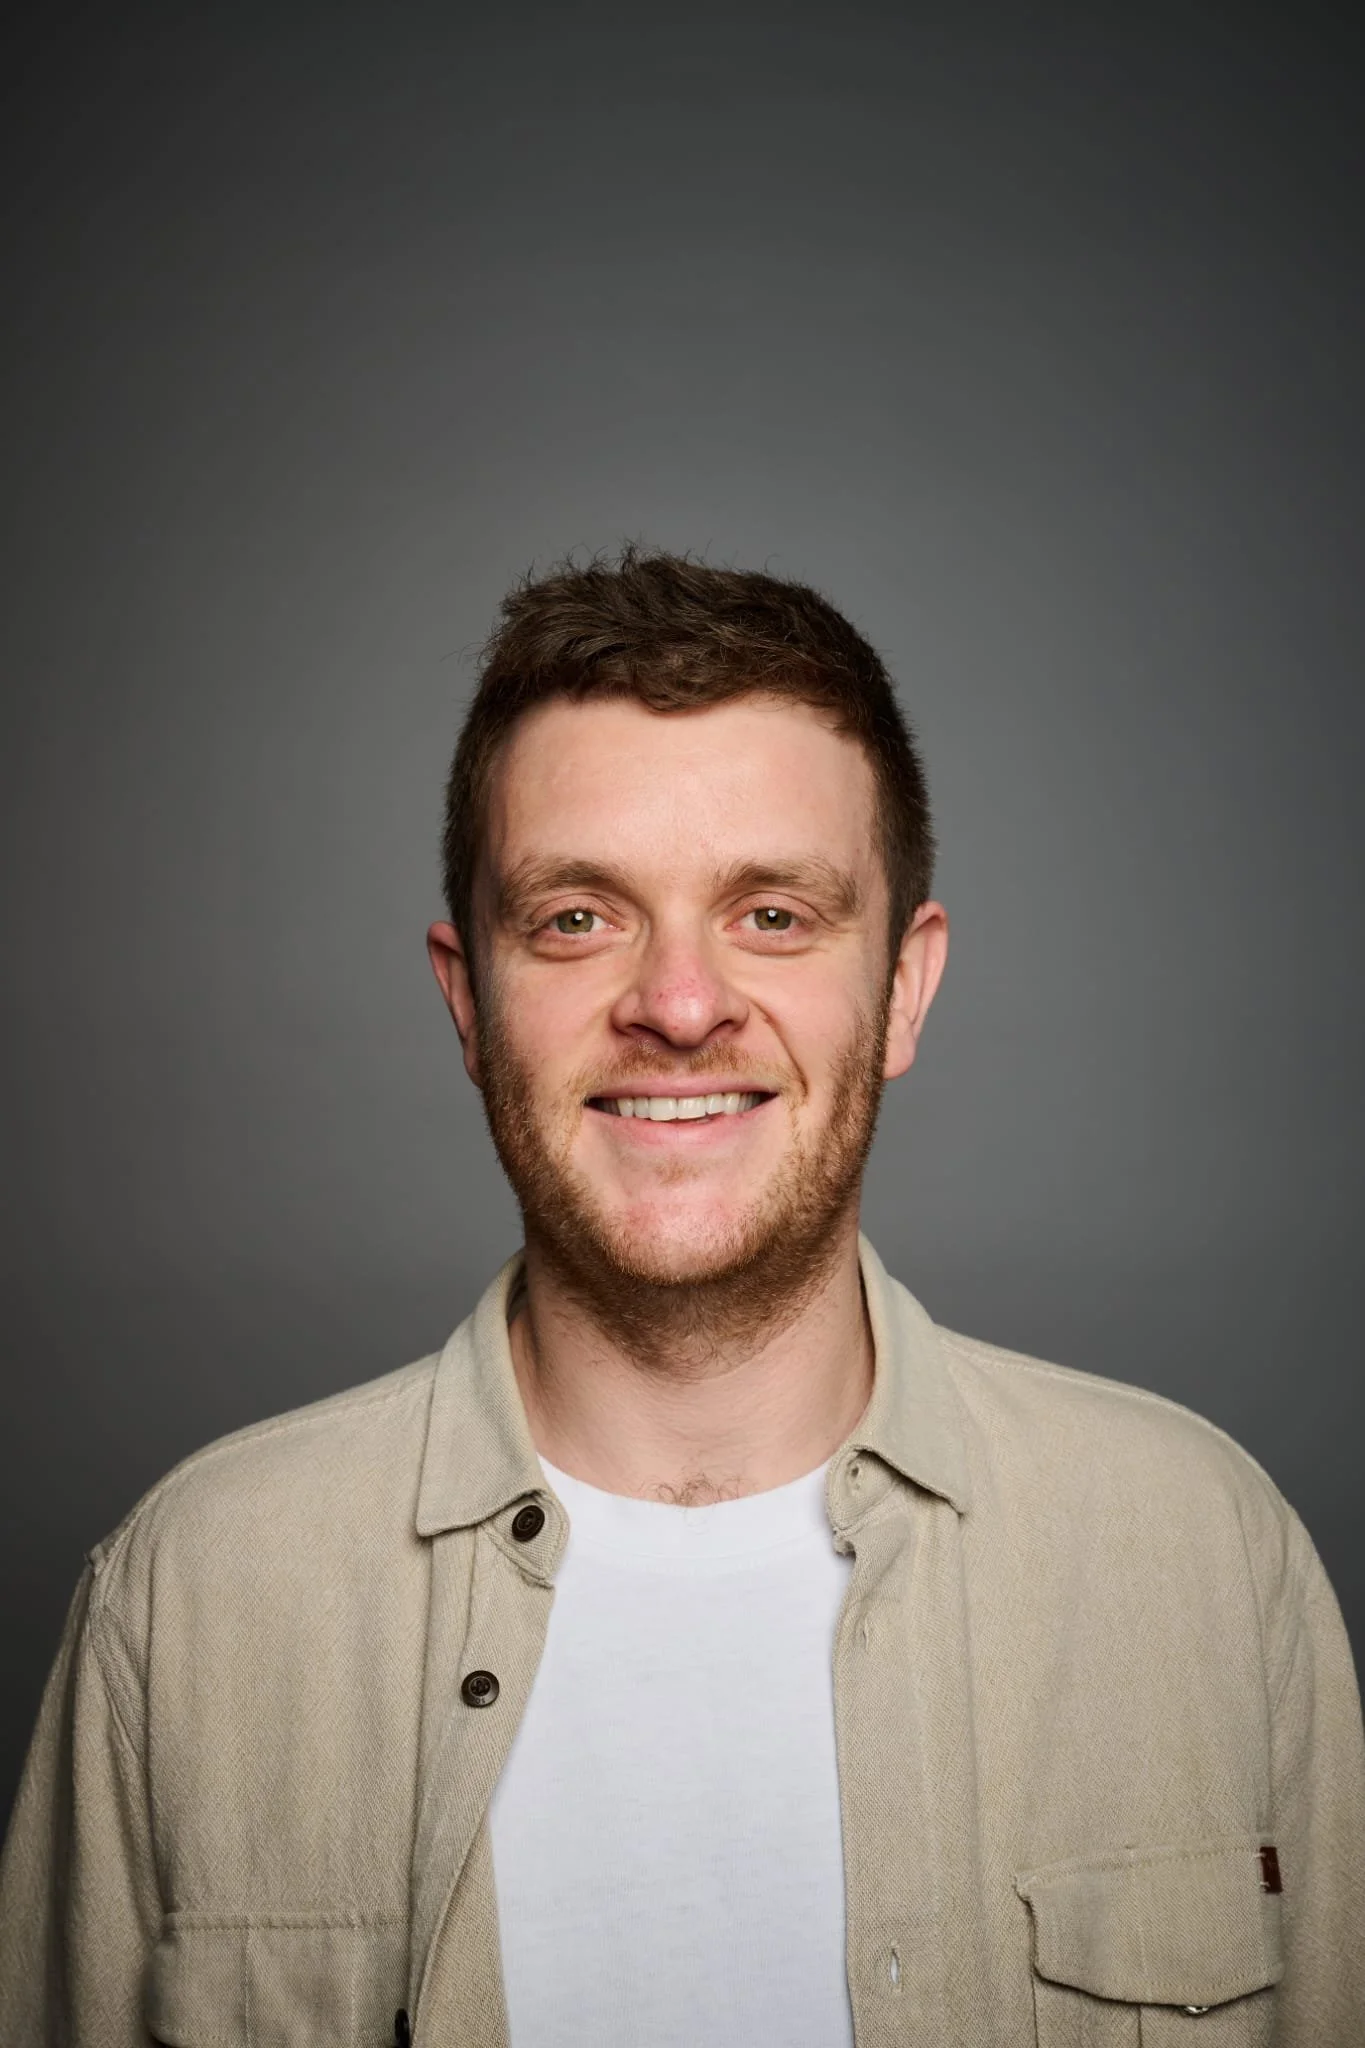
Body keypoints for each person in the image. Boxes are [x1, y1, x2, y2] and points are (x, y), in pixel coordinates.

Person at [1, 548, 1361, 2048]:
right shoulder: (188, 1604)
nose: (681, 1004)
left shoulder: (1206, 1559)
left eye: (773, 914)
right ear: (468, 1001)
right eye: (578, 919)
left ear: (905, 988)